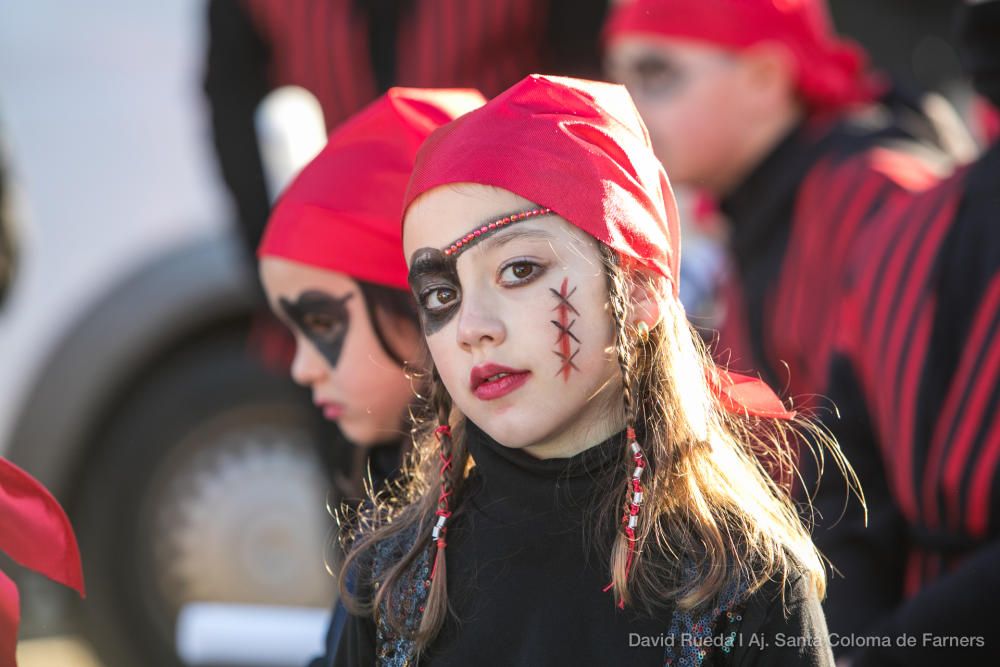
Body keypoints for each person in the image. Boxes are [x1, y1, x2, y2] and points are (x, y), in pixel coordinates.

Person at [332, 74, 849, 666]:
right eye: (440, 296)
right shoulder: (393, 583)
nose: (473, 325)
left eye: (520, 270)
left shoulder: (738, 582)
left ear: (638, 286)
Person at [602, 0, 966, 645]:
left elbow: (886, 471)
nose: (632, 114)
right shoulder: (764, 209)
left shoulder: (878, 193)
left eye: (658, 75)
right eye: (621, 83)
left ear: (766, 77)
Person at [256, 86, 486, 667]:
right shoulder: (389, 481)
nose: (302, 366)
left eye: (321, 322)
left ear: (418, 306)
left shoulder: (488, 528)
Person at [825, 1, 1000, 663]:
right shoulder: (900, 230)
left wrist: (862, 647)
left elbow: (842, 486)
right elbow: (844, 476)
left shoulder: (896, 230)